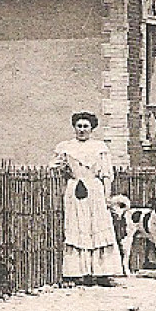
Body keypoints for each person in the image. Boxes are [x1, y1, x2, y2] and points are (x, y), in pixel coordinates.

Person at [53, 111, 122, 287]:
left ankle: (102, 273)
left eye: (86, 127)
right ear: (74, 127)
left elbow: (106, 174)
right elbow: (54, 167)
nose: (82, 130)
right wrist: (63, 168)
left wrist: (107, 196)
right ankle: (77, 273)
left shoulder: (100, 148)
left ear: (92, 129)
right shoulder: (66, 147)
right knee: (77, 226)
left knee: (98, 227)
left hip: (95, 190)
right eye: (79, 126)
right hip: (75, 189)